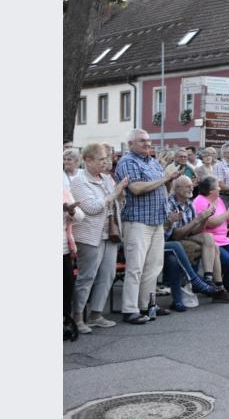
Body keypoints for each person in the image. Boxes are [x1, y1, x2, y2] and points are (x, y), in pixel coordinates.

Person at [115, 130, 181, 324]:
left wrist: (170, 180)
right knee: (135, 267)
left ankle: (147, 305)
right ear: (130, 144)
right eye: (142, 141)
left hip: (157, 220)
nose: (147, 144)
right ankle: (129, 309)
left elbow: (164, 189)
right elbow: (136, 188)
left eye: (149, 141)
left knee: (153, 267)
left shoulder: (152, 162)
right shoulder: (128, 162)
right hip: (138, 221)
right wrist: (165, 179)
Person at [70, 143, 127, 333]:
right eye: (101, 159)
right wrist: (114, 193)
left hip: (110, 233)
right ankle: (77, 317)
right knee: (87, 277)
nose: (105, 162)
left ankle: (96, 314)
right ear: (88, 160)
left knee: (108, 274)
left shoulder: (106, 178)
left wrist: (120, 197)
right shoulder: (79, 181)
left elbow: (116, 205)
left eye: (106, 158)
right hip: (89, 236)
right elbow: (92, 208)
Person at [165, 176, 229, 308]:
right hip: (172, 241)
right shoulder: (170, 204)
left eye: (191, 186)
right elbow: (175, 235)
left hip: (189, 236)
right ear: (177, 189)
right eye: (188, 186)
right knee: (219, 250)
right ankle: (216, 288)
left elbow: (195, 231)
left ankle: (211, 280)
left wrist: (204, 219)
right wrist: (198, 220)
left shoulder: (189, 204)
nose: (191, 188)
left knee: (210, 239)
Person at [192, 176, 229, 295]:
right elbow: (211, 223)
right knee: (226, 259)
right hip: (208, 238)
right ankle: (215, 284)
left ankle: (228, 284)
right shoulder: (200, 201)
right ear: (211, 191)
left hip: (223, 238)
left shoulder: (219, 200)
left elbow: (227, 220)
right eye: (217, 186)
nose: (220, 188)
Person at [63, 185, 85, 329]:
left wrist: (71, 211)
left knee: (67, 285)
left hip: (63, 248)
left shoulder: (63, 191)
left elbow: (80, 217)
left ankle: (65, 322)